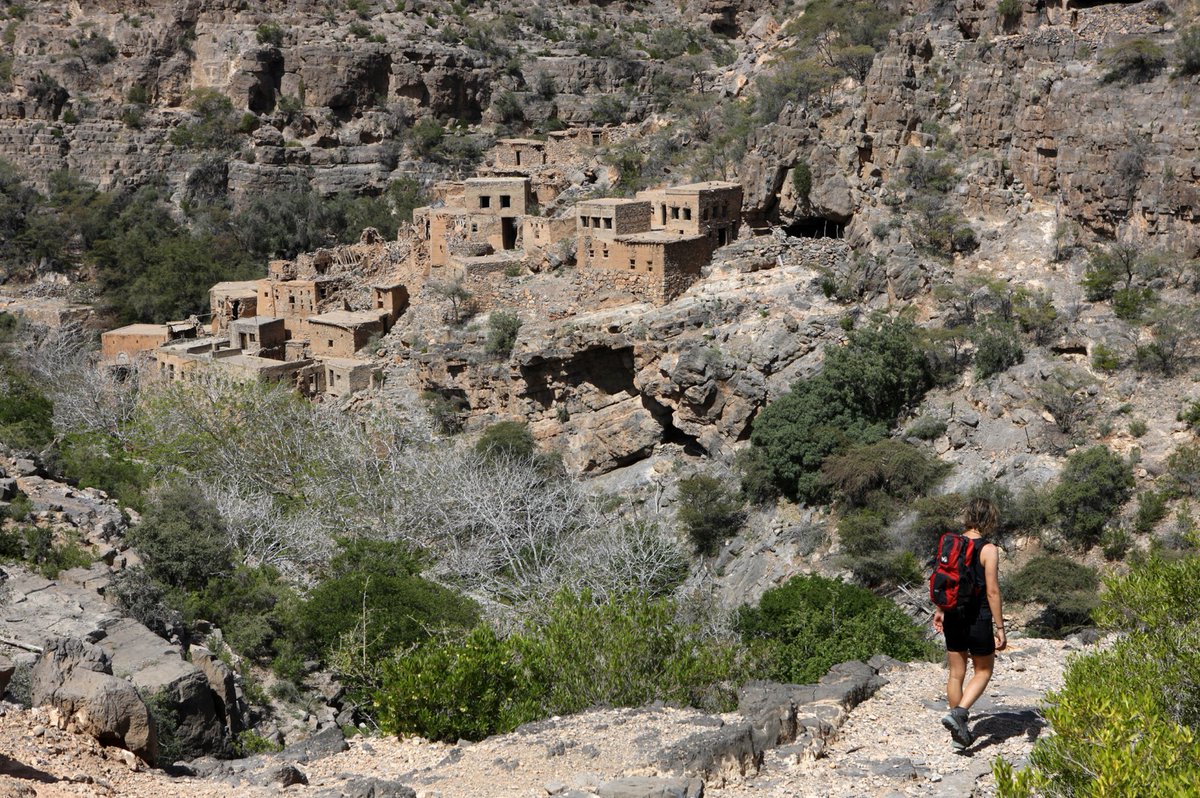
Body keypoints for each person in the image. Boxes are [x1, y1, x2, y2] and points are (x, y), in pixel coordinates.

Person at [932, 497, 1006, 750]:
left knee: (956, 674)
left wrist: (940, 609)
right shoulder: (988, 549)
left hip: (953, 614)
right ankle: (960, 713)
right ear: (989, 519)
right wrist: (1000, 628)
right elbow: (992, 592)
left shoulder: (952, 543)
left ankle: (959, 733)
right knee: (983, 671)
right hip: (978, 617)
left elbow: (947, 580)